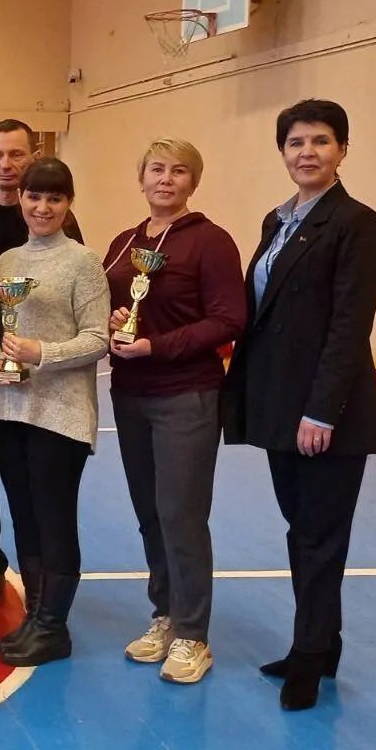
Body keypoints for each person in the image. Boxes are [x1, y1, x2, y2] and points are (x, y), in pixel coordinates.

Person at [222, 99, 376, 711]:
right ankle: (321, 644)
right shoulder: (277, 220)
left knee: (319, 536)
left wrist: (322, 411)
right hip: (279, 406)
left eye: (321, 141)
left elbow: (349, 326)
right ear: (283, 152)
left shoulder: (356, 223)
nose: (307, 152)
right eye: (296, 142)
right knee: (303, 532)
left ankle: (310, 658)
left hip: (326, 414)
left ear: (343, 150)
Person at [101, 139, 245, 685]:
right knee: (150, 513)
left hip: (187, 394)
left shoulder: (211, 242)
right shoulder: (124, 243)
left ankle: (192, 635)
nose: (166, 179)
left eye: (179, 171)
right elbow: (117, 307)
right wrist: (117, 322)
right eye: (157, 169)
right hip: (130, 394)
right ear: (141, 178)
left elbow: (228, 319)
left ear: (193, 182)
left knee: (181, 514)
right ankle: (164, 614)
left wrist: (156, 346)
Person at [0, 158, 109, 668]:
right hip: (9, 407)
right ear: (21, 199)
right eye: (34, 196)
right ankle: (36, 616)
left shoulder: (83, 262)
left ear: (68, 203)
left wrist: (42, 353)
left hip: (61, 413)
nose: (43, 207)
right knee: (24, 516)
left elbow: (97, 338)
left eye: (54, 198)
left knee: (54, 519)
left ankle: (54, 627)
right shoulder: (6, 261)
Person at [0, 120, 84, 610]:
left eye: (16, 154)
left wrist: (44, 354)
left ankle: (44, 586)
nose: (6, 164)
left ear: (31, 157)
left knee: (34, 487)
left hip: (40, 383)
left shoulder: (57, 220)